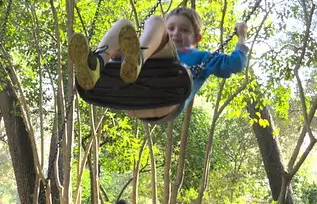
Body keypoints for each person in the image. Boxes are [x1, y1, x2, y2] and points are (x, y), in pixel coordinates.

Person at [68, 7, 251, 123]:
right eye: (170, 28)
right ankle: (96, 66)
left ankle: (138, 59)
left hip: (166, 103)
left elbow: (235, 63)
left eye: (184, 30)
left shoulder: (201, 57)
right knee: (124, 23)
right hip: (129, 100)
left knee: (155, 21)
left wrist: (242, 35)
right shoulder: (147, 44)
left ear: (197, 38)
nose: (175, 33)